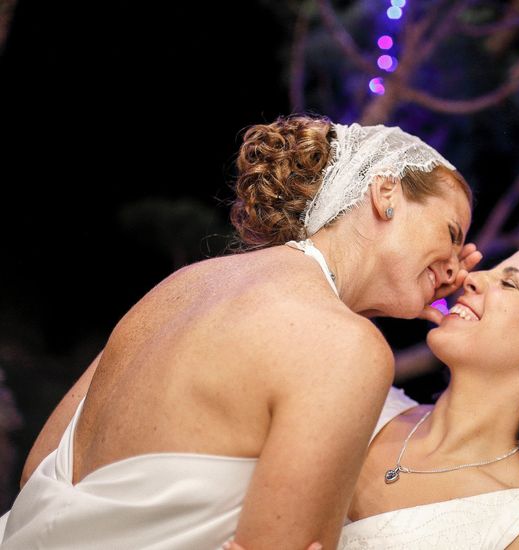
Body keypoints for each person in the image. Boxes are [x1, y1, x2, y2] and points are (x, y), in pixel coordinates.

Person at [0, 115, 480, 549]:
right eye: (453, 234)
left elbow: (38, 466)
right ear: (386, 193)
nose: (458, 268)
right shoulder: (345, 347)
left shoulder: (184, 284)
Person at [230, 241, 519, 549]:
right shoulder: (366, 398)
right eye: (491, 270)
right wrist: (375, 299)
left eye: (509, 282)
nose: (472, 278)